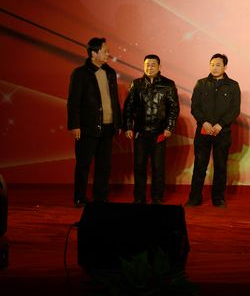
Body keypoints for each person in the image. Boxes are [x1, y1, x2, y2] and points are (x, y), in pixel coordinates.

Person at [67, 37, 121, 207]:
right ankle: (79, 197)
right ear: (93, 53)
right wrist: (75, 125)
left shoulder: (110, 73)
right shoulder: (80, 73)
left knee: (104, 166)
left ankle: (100, 197)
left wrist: (118, 123)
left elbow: (114, 100)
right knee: (83, 165)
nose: (108, 54)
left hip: (108, 127)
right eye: (105, 51)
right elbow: (73, 101)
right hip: (87, 127)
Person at [122, 54, 179, 204]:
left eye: (153, 64)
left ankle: (157, 197)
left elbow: (173, 108)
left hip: (159, 133)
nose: (150, 67)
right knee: (139, 166)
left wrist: (169, 127)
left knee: (158, 167)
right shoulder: (136, 84)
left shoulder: (168, 84)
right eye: (147, 64)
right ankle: (139, 198)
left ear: (159, 66)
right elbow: (128, 107)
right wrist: (128, 127)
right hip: (140, 133)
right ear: (143, 66)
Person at [186, 54, 241, 208]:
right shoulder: (201, 83)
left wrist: (220, 125)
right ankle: (195, 197)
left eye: (218, 65)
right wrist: (204, 122)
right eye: (212, 64)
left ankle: (218, 198)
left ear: (225, 67)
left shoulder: (233, 85)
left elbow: (234, 110)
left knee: (220, 166)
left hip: (222, 132)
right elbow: (195, 107)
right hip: (203, 131)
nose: (214, 68)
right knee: (200, 165)